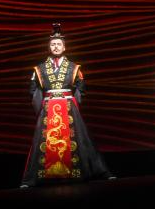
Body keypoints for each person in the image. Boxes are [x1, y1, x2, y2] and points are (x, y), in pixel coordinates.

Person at [21, 24, 113, 187]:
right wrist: (41, 110)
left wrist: (74, 105)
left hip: (69, 108)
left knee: (81, 140)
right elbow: (34, 91)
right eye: (53, 44)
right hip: (48, 109)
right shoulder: (39, 69)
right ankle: (32, 179)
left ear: (64, 47)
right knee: (41, 142)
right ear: (49, 47)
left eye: (59, 44)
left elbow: (81, 89)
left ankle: (99, 172)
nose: (56, 47)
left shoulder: (73, 67)